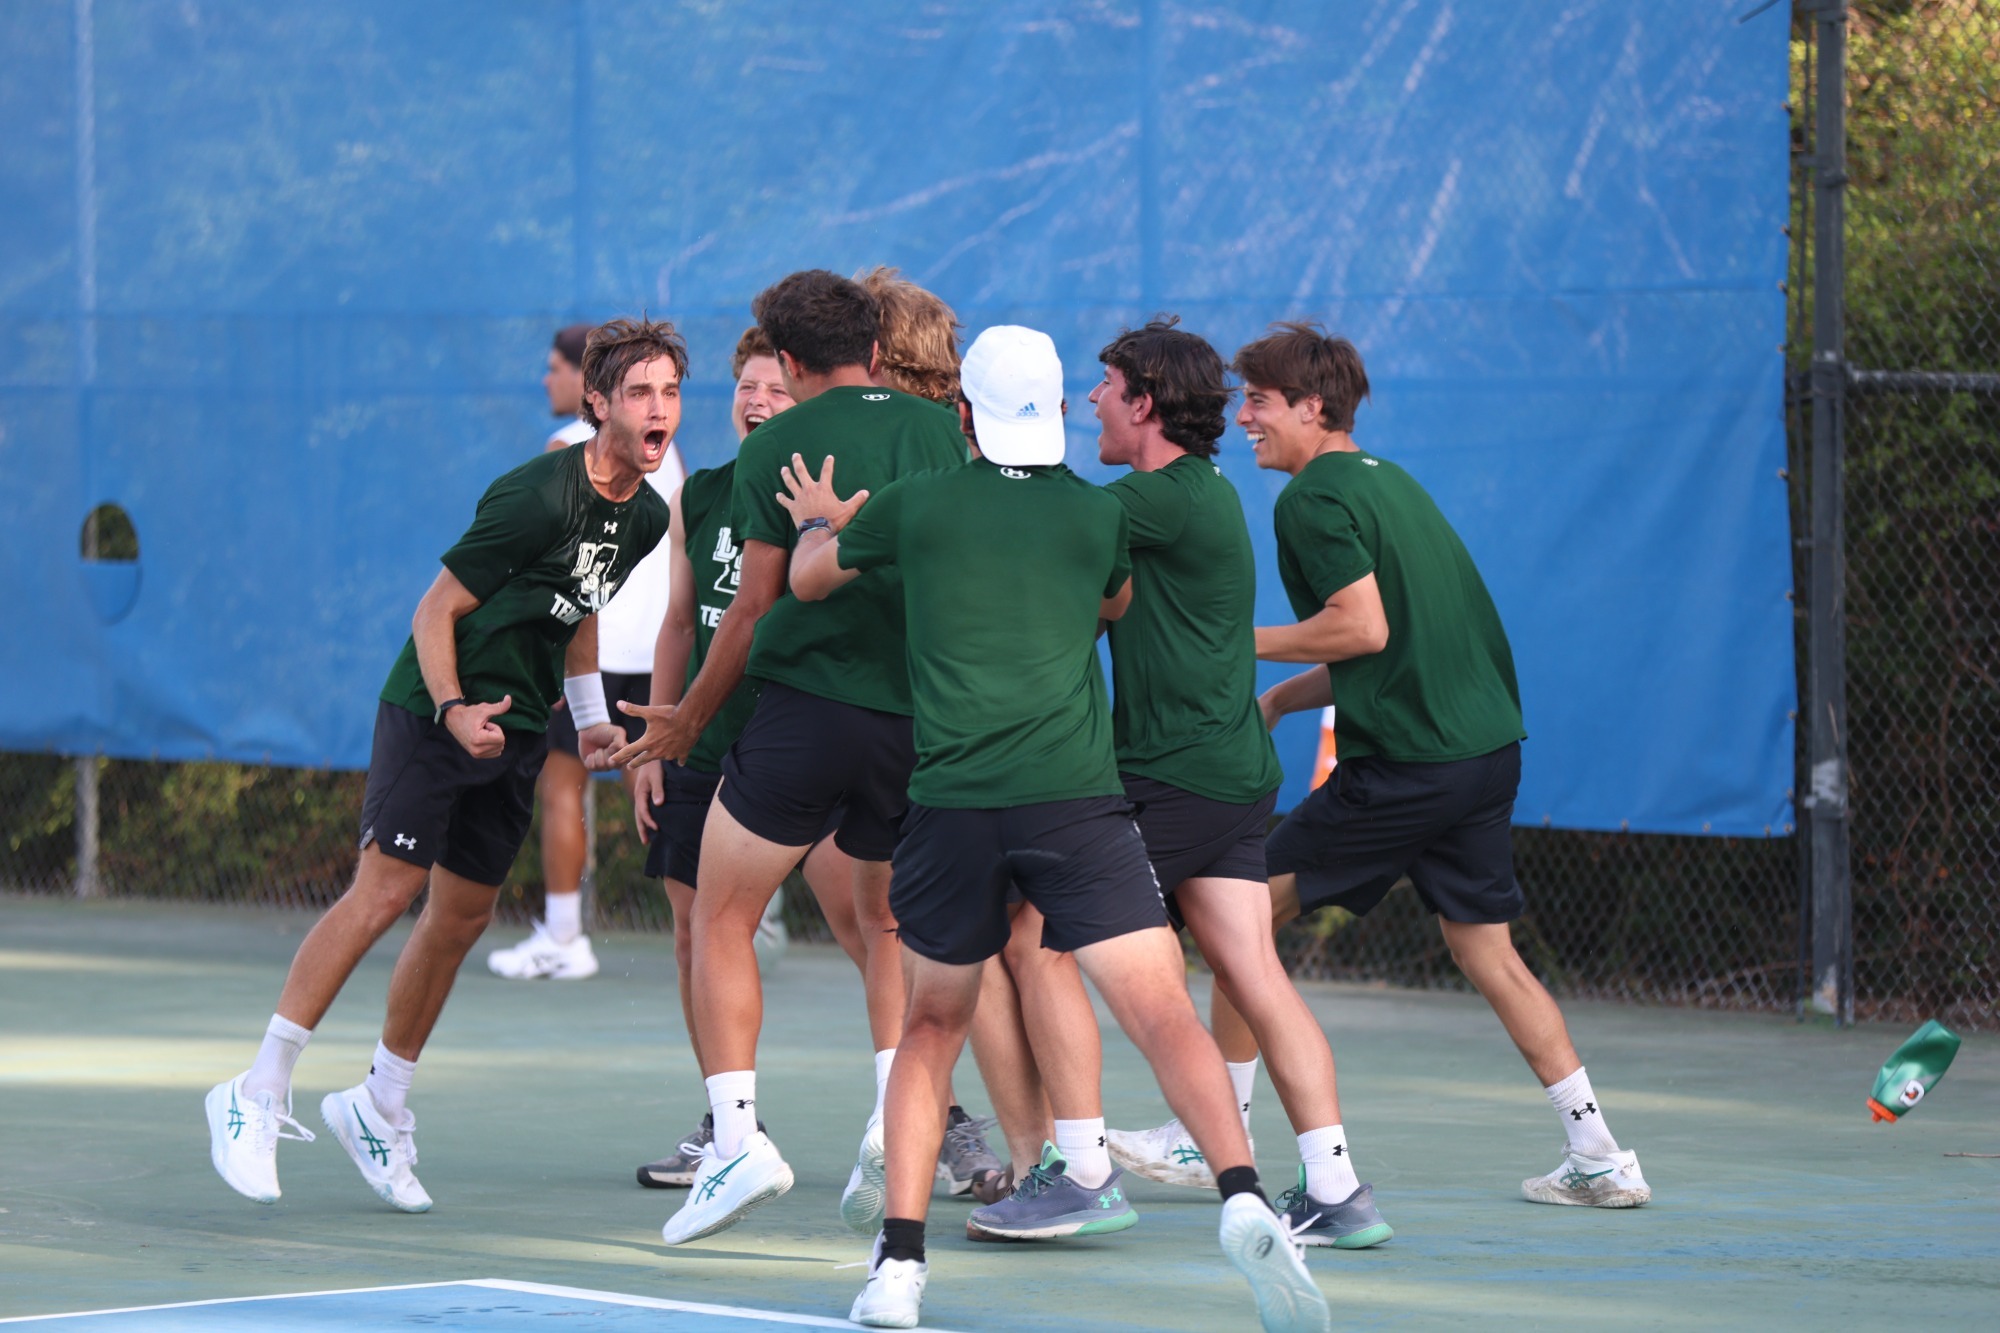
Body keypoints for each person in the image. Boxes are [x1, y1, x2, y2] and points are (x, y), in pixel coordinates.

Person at [777, 323, 1331, 1333]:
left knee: (931, 1027)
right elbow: (1109, 601)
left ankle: (898, 1266)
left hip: (950, 807)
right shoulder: (1096, 519)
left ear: (960, 415)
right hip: (1077, 802)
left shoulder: (915, 508)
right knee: (1163, 1009)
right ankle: (1248, 1197)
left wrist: (822, 525)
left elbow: (808, 581)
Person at [204, 318, 681, 1211]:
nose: (661, 411)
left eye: (671, 393)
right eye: (642, 393)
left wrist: (588, 723)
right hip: (436, 708)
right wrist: (457, 708)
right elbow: (436, 609)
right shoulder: (536, 493)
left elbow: (581, 610)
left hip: (519, 730)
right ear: (599, 403)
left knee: (461, 917)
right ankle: (257, 1087)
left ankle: (381, 1103)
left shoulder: (649, 514)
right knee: (385, 893)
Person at [977, 316, 1391, 1249]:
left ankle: (1079, 1171)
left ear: (1146, 401)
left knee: (1034, 936)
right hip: (1232, 772)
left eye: (1106, 385)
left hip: (1173, 777)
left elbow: (1044, 523)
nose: (1089, 401)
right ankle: (1334, 1185)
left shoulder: (1155, 499)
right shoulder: (1195, 495)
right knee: (1253, 974)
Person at [1237, 321, 1651, 1210]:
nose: (1245, 419)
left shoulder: (1309, 501)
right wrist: (1278, 701)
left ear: (1314, 408)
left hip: (1410, 765)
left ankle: (1213, 1141)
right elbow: (1387, 646)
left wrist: (1237, 646)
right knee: (1487, 951)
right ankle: (1600, 1154)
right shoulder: (1393, 484)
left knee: (1239, 911)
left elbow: (1361, 627)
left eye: (1260, 402)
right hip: (1481, 755)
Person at [608, 271, 968, 1245]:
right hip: (911, 724)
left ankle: (733, 1139)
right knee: (886, 922)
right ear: (875, 343)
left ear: (795, 362)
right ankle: (894, 1125)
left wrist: (684, 720)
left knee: (721, 915)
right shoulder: (940, 430)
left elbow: (756, 604)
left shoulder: (778, 443)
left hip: (802, 717)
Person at [628, 326, 866, 1187]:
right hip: (704, 744)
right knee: (697, 936)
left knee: (872, 930)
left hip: (806, 747)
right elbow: (678, 621)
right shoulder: (704, 494)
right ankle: (727, 1124)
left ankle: (933, 1120)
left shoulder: (826, 489)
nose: (758, 401)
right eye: (745, 388)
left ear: (802, 397)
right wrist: (656, 740)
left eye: (775, 388)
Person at [489, 324, 687, 980]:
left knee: (562, 784)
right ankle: (707, 912)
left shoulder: (567, 448)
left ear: (587, 385)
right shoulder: (665, 447)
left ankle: (566, 933)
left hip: (590, 649)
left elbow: (543, 569)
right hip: (647, 647)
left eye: (555, 368)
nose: (547, 379)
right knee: (650, 783)